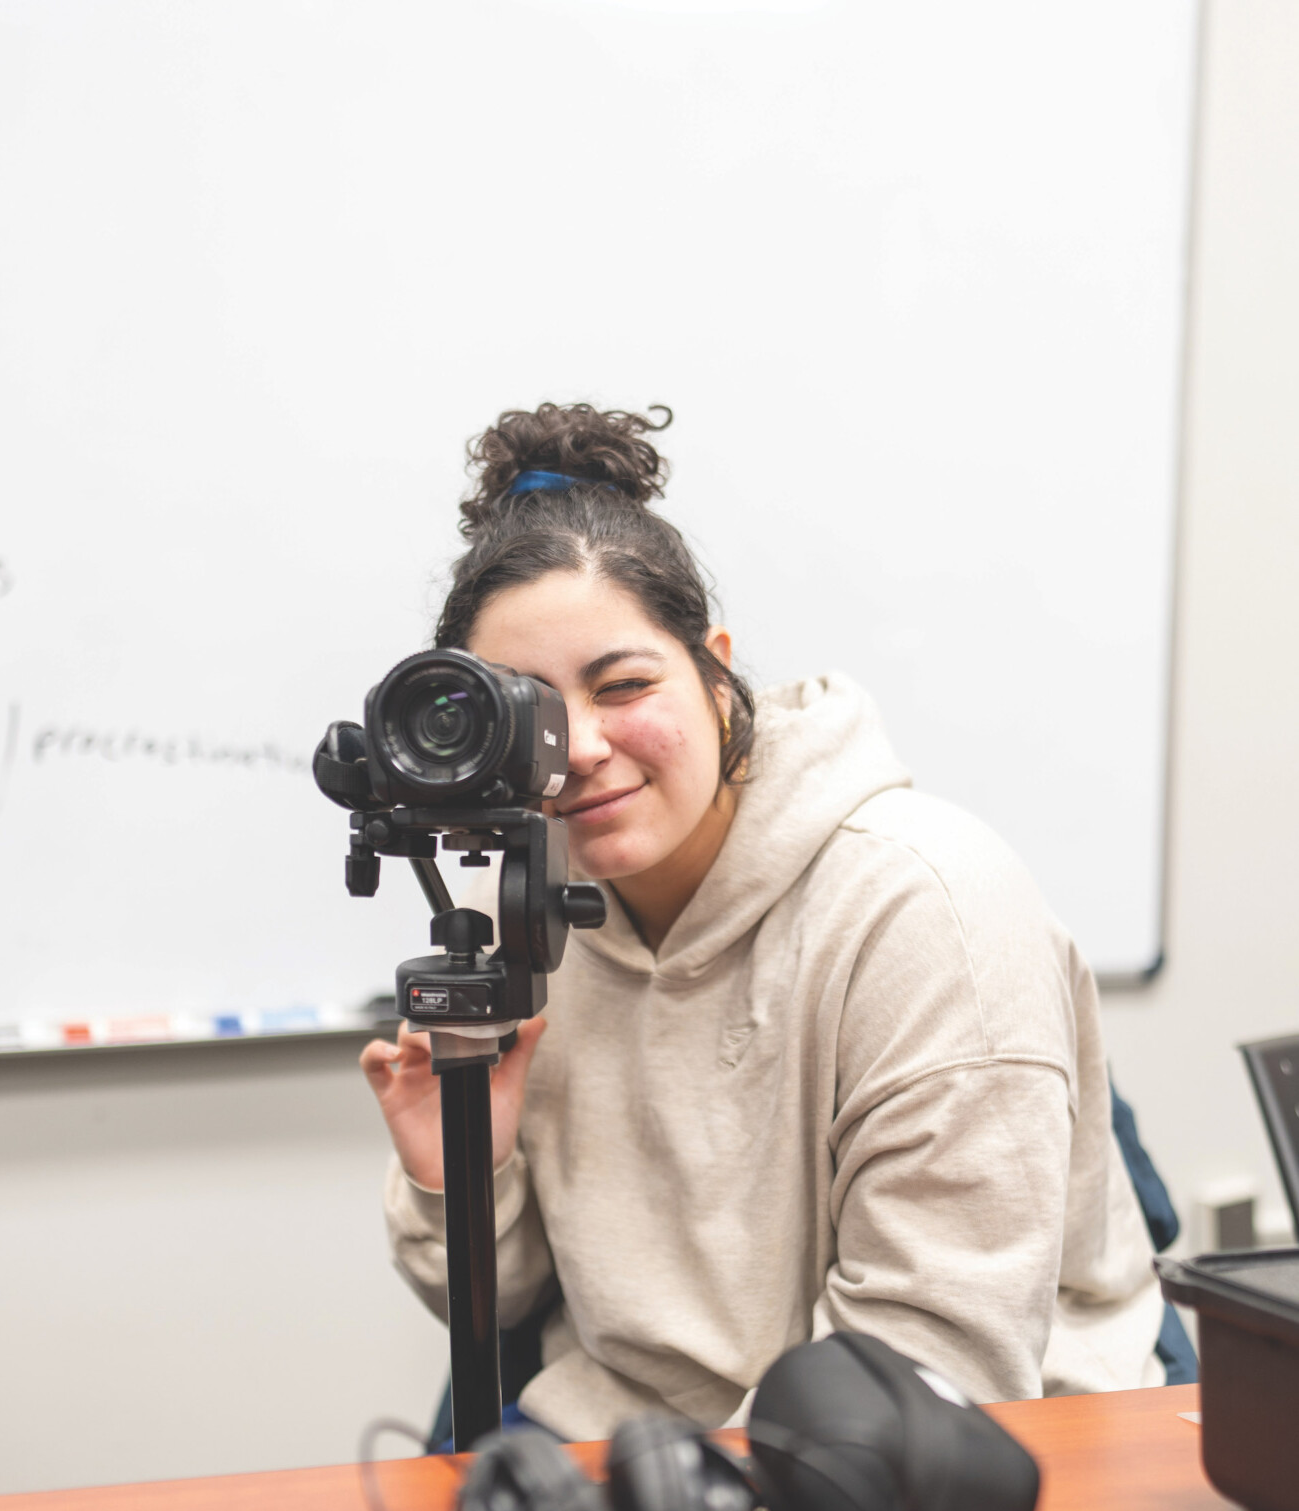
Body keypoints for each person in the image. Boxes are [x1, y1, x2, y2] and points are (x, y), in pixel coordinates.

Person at [360, 402, 1164, 1440]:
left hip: (945, 1448)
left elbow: (942, 1355)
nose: (585, 748)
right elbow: (500, 1304)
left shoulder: (926, 906)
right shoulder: (512, 912)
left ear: (715, 671)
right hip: (627, 1446)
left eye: (625, 684)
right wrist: (463, 1166)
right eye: (536, 716)